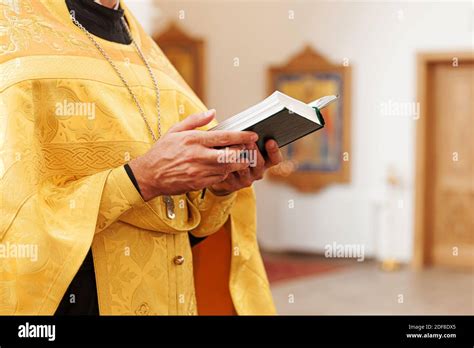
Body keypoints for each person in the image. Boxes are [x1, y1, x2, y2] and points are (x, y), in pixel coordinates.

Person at [0, 0, 282, 315]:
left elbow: (186, 221)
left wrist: (219, 186)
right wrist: (139, 179)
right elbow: (13, 216)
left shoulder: (139, 43)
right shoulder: (12, 30)